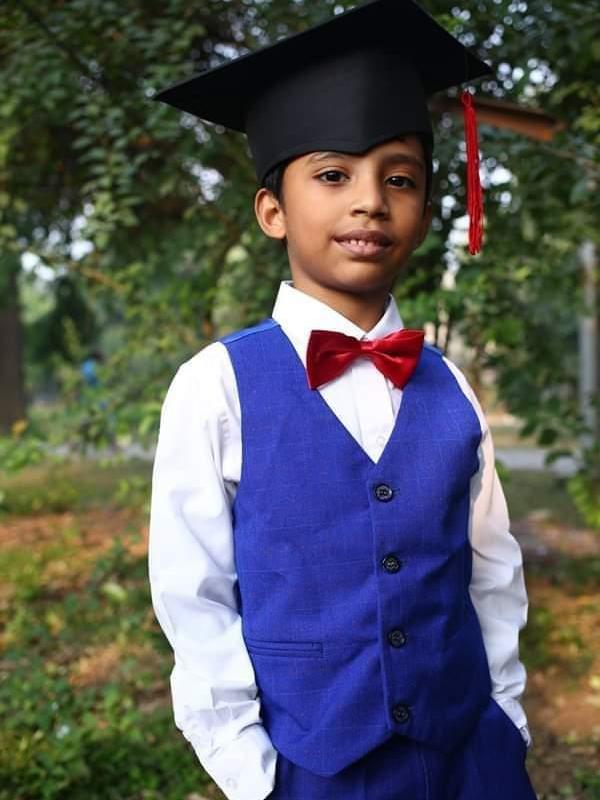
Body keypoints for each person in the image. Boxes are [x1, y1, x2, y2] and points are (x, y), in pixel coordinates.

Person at [148, 1, 537, 798]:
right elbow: (195, 593)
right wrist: (253, 774)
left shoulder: (451, 387)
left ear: (423, 214)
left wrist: (506, 719)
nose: (370, 201)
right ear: (272, 211)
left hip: (472, 758)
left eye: (400, 179)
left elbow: (492, 570)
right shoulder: (215, 386)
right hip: (309, 771)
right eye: (332, 176)